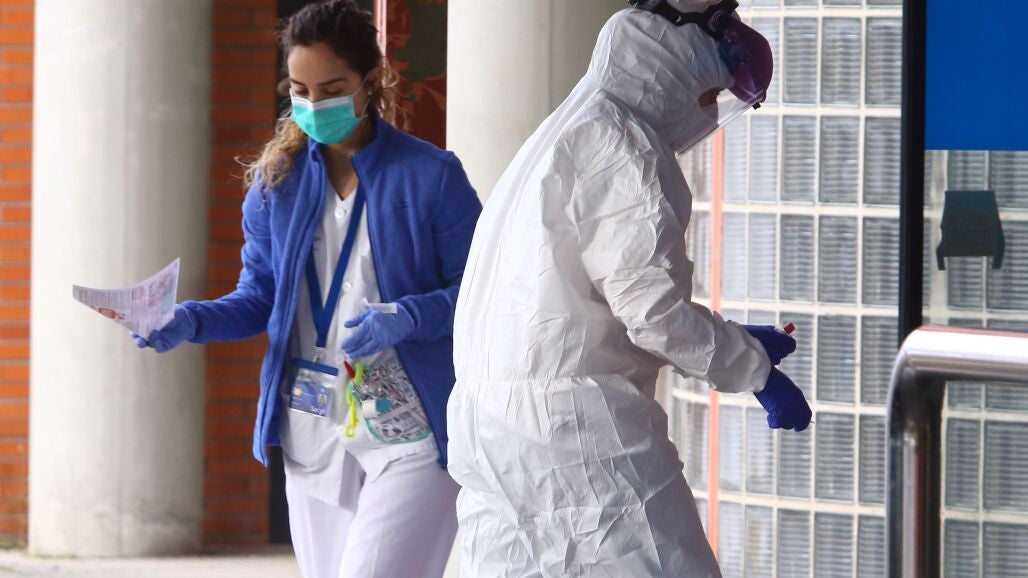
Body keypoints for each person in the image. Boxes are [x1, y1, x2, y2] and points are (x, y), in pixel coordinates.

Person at [448, 1, 811, 576]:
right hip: (572, 428)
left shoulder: (570, 126)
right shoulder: (624, 144)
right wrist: (754, 370)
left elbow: (589, 293)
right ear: (678, 68)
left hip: (487, 421)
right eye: (709, 95)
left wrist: (731, 337)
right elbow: (654, 314)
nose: (704, 113)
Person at [133, 2, 482, 577]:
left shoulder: (431, 176)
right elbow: (258, 299)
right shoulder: (276, 185)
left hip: (414, 431)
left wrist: (409, 316)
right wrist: (190, 320)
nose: (316, 105)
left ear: (371, 81)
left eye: (333, 89)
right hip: (313, 426)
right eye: (301, 90)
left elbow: (480, 297)